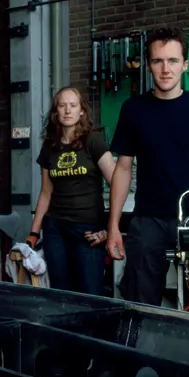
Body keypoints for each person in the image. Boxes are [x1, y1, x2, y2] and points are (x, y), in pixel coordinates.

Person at [107, 27, 189, 305]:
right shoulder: (133, 109)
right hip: (148, 219)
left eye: (173, 61)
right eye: (158, 61)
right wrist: (113, 225)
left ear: (185, 65)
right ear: (149, 65)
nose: (166, 69)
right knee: (140, 301)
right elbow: (123, 169)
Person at [26, 86, 115, 294]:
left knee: (90, 293)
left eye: (73, 105)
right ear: (56, 111)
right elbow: (45, 193)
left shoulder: (93, 141)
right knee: (60, 293)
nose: (67, 110)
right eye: (62, 105)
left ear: (81, 111)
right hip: (56, 229)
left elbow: (117, 184)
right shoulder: (50, 147)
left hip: (89, 229)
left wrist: (110, 229)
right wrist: (33, 233)